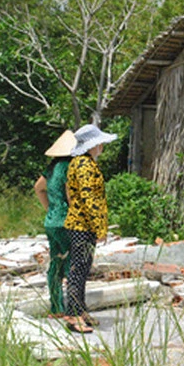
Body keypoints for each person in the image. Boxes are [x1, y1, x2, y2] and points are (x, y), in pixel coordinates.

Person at [63, 124, 117, 333]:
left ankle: (80, 309)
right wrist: (99, 227)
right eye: (99, 142)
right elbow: (89, 199)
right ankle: (73, 314)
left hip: (82, 224)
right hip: (81, 226)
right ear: (92, 145)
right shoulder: (84, 165)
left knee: (84, 268)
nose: (102, 146)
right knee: (78, 270)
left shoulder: (82, 163)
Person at [34, 130, 76, 318]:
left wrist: (50, 209)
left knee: (56, 261)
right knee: (73, 263)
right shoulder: (71, 166)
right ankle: (74, 309)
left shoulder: (51, 168)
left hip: (51, 221)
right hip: (66, 221)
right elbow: (70, 194)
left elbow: (38, 188)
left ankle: (56, 306)